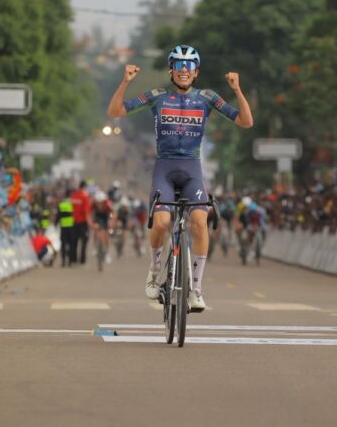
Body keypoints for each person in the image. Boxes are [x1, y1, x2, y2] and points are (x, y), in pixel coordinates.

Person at [106, 45, 253, 311]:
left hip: (192, 170)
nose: (184, 70)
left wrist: (237, 90)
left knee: (200, 221)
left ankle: (196, 289)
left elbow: (245, 121)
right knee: (162, 222)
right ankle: (154, 272)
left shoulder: (207, 97)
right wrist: (125, 82)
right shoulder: (158, 96)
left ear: (196, 72)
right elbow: (115, 111)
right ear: (171, 70)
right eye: (178, 65)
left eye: (189, 66)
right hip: (164, 168)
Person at [70, 181, 92, 265]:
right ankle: (82, 259)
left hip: (73, 222)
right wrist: (90, 223)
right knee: (84, 241)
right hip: (83, 222)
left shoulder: (73, 195)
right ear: (84, 187)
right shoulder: (85, 196)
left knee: (74, 241)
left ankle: (73, 259)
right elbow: (86, 211)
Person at [57, 190, 76, 267]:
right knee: (71, 244)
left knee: (63, 244)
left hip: (63, 227)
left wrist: (55, 224)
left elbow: (58, 215)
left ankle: (63, 261)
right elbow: (75, 214)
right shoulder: (72, 203)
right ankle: (70, 261)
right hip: (71, 227)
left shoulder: (61, 204)